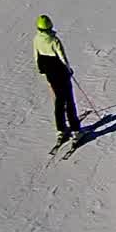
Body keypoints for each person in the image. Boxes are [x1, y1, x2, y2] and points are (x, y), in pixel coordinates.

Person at [33, 15, 82, 147]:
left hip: (50, 73)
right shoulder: (54, 40)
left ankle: (61, 129)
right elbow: (62, 57)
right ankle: (76, 130)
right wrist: (68, 69)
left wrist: (41, 70)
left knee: (59, 101)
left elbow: (36, 55)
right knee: (69, 101)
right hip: (61, 72)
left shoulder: (37, 39)